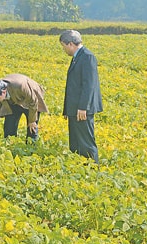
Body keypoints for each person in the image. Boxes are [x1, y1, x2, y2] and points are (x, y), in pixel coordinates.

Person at [59, 30, 103, 163]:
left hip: (83, 109)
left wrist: (83, 107)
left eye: (64, 46)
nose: (64, 49)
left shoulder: (87, 56)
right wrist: (68, 109)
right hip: (74, 108)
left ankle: (93, 168)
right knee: (75, 142)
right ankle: (78, 165)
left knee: (86, 142)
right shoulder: (77, 57)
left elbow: (89, 85)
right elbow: (72, 86)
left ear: (71, 44)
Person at [0, 74, 49, 142]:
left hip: (31, 101)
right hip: (13, 102)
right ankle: (10, 145)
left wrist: (32, 121)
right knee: (9, 128)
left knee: (32, 128)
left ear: (3, 92)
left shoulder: (19, 85)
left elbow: (33, 101)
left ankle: (31, 146)